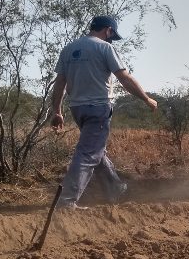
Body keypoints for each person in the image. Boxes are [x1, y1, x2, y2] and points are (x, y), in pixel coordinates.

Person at [51, 15, 157, 209]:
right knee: (87, 153)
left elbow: (60, 82)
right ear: (108, 30)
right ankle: (66, 202)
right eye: (112, 35)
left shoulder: (69, 49)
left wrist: (57, 111)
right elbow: (124, 79)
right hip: (98, 108)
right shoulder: (105, 48)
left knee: (95, 149)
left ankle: (115, 188)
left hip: (77, 109)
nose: (111, 39)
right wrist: (146, 99)